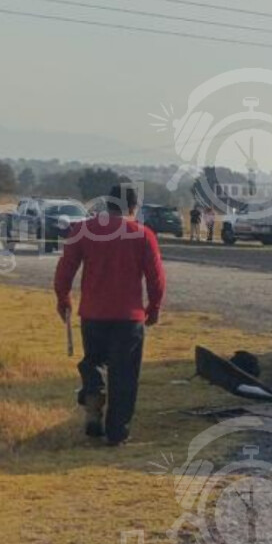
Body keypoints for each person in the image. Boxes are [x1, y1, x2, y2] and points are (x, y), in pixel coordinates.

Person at [54, 183, 165, 447]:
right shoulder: (142, 234)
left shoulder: (82, 230)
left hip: (93, 314)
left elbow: (65, 268)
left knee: (94, 361)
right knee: (124, 376)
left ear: (107, 203)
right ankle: (117, 433)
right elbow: (156, 277)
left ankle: (93, 394)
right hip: (129, 317)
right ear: (134, 207)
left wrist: (63, 298)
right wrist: (154, 307)